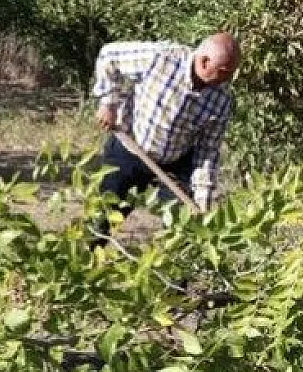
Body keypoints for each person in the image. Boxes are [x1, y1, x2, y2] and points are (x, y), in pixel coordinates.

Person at [89, 33, 240, 232]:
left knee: (184, 228)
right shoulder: (161, 58)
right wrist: (108, 103)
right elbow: (110, 55)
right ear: (205, 62)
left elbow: (207, 152)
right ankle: (86, 258)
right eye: (225, 72)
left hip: (175, 164)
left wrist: (203, 200)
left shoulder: (221, 100)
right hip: (129, 150)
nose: (228, 79)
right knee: (102, 221)